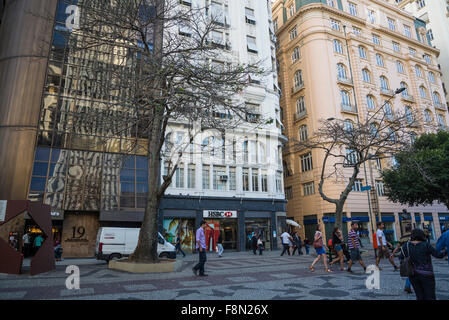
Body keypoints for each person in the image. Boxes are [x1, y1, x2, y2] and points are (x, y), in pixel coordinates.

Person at [400, 229, 445, 300]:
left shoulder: (406, 246)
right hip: (427, 275)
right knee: (430, 296)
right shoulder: (426, 245)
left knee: (419, 296)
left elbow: (401, 258)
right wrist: (445, 251)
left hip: (413, 275)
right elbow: (438, 255)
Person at [392, 225, 413, 293]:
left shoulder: (402, 237)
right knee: (413, 271)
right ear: (411, 229)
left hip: (403, 256)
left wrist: (393, 253)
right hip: (411, 256)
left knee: (410, 271)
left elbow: (398, 246)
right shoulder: (413, 236)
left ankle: (408, 285)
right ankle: (408, 285)